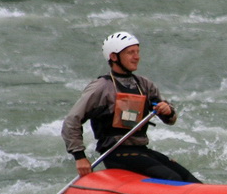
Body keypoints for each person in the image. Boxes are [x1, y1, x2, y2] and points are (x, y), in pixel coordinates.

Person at [62, 31, 201, 183]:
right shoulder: (101, 88)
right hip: (115, 154)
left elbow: (170, 119)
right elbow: (71, 121)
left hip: (141, 151)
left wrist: (167, 110)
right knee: (172, 178)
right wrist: (80, 157)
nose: (137, 57)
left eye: (137, 52)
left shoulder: (144, 84)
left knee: (190, 180)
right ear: (114, 57)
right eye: (130, 53)